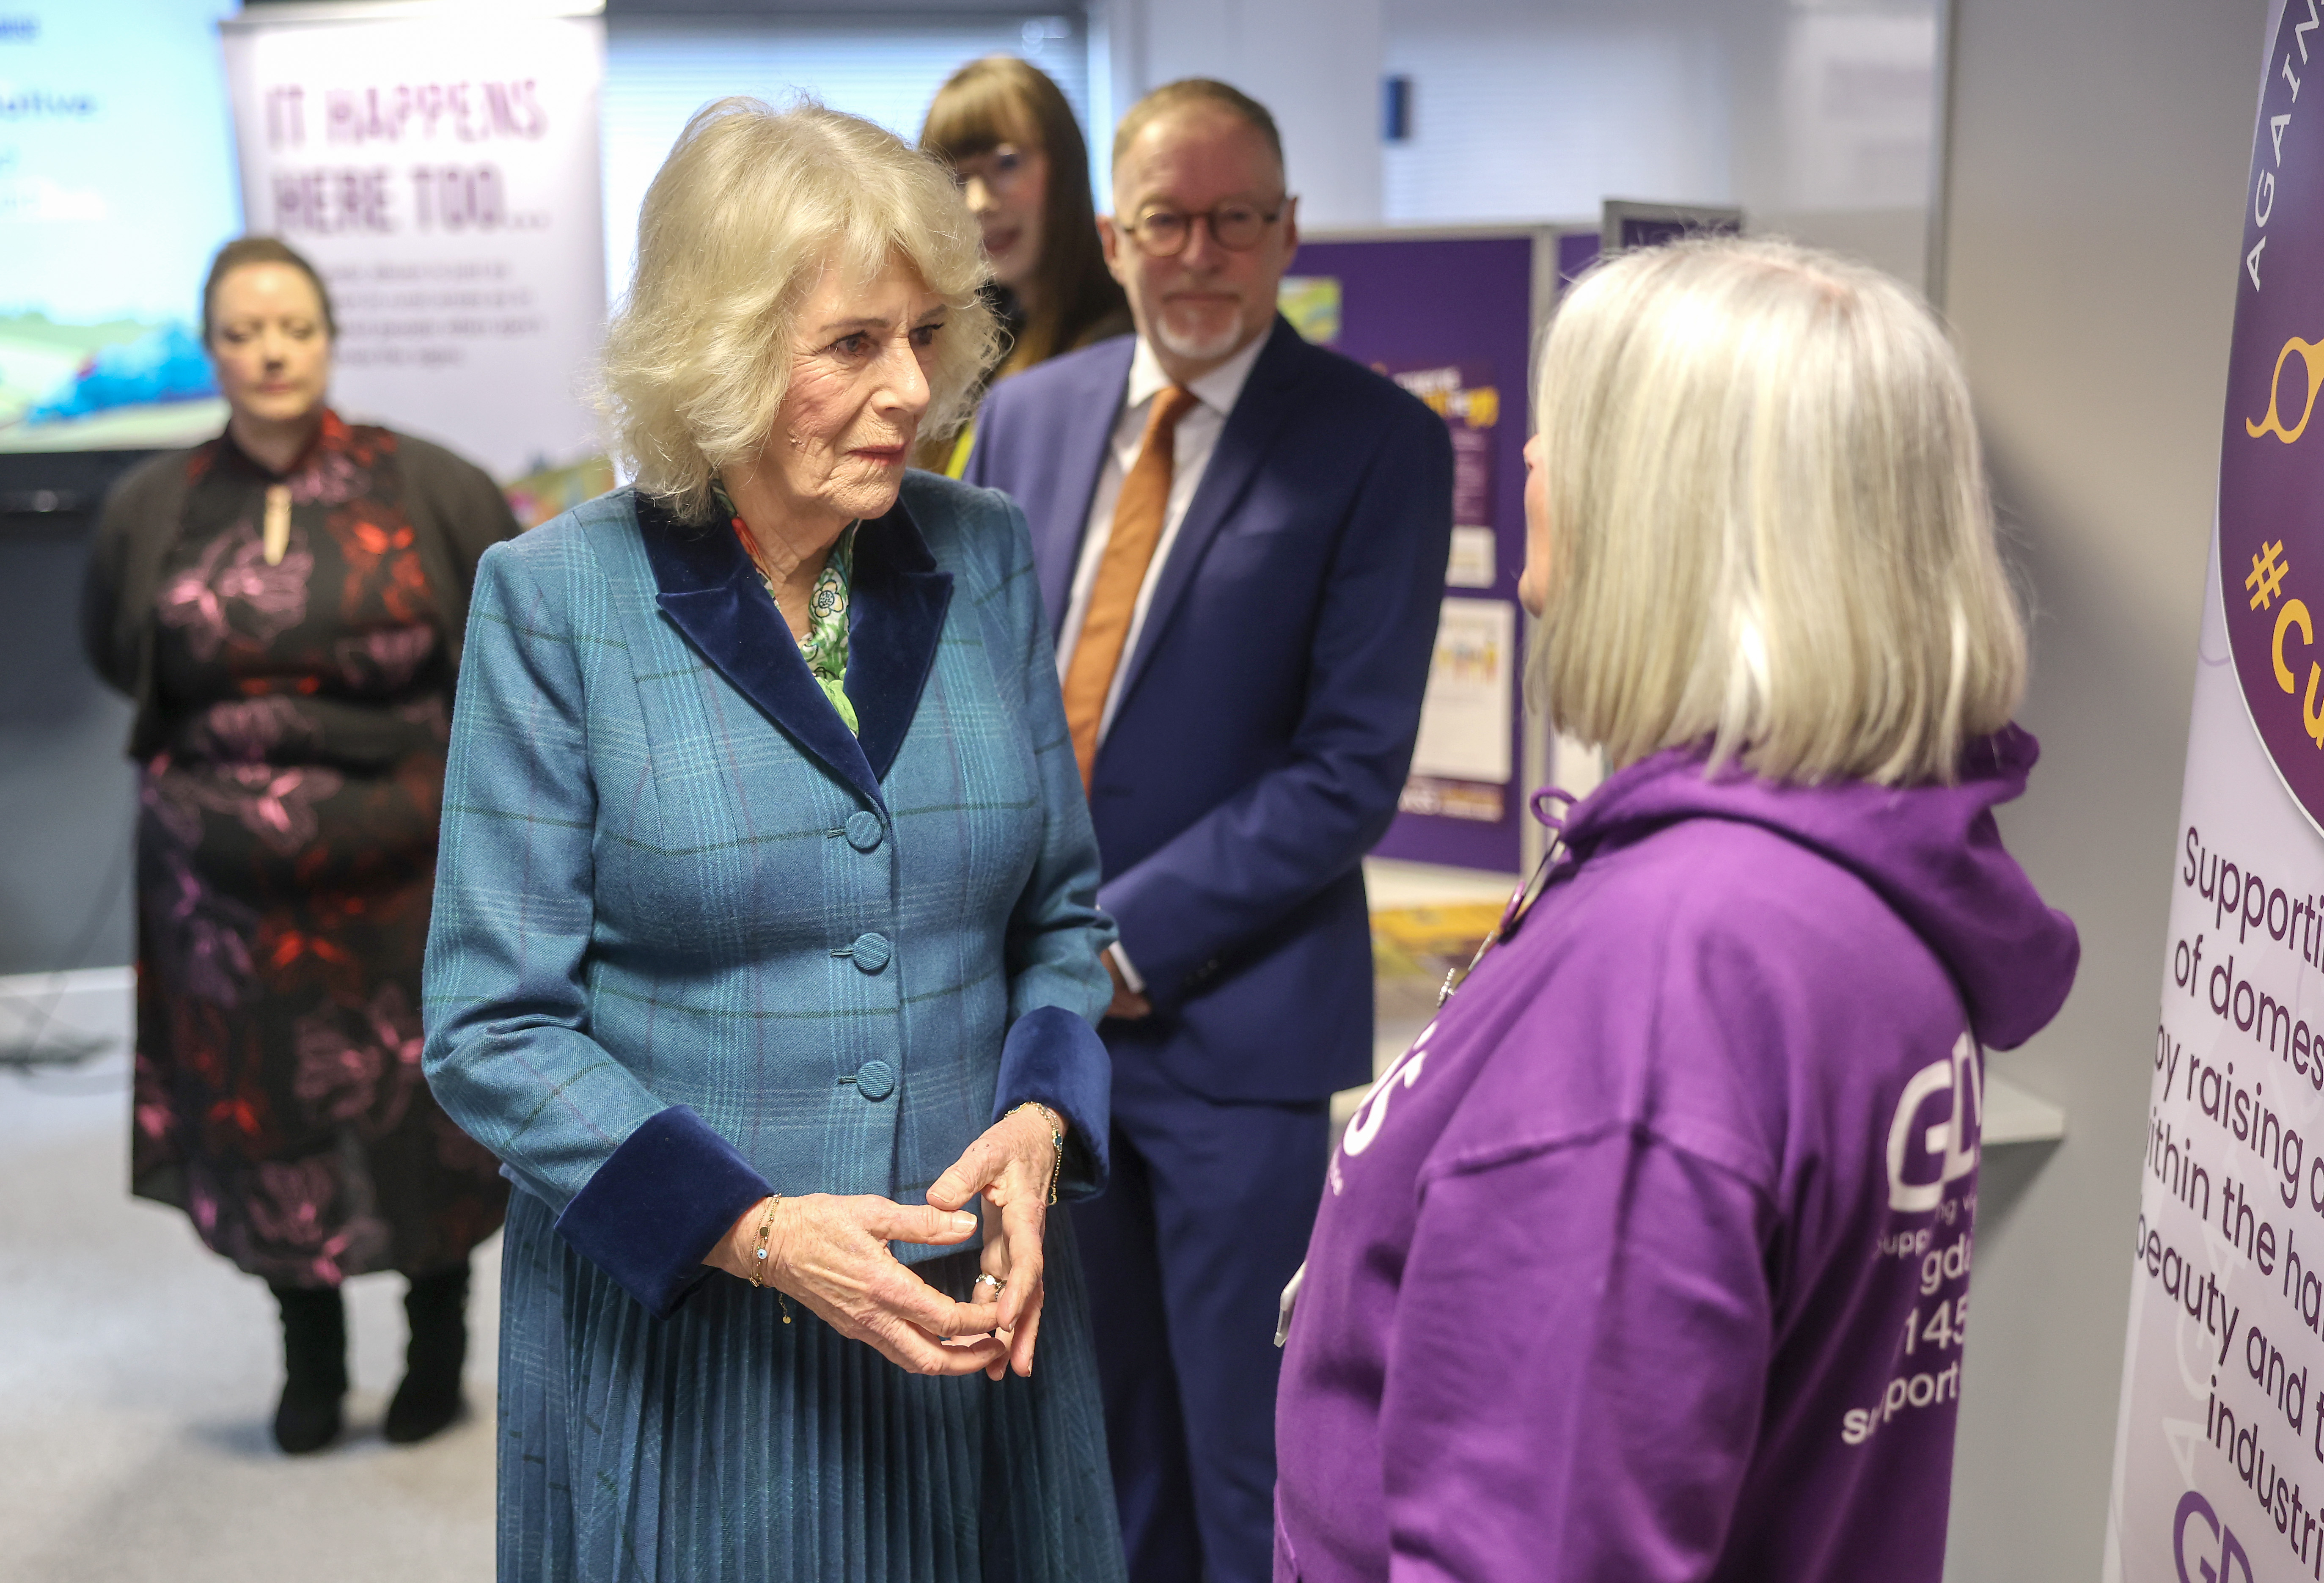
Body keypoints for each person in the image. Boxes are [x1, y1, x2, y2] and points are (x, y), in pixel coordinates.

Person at [1271, 238, 2082, 1582]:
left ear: (1672, 514)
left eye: (1569, 429)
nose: (1526, 462)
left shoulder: (1674, 970)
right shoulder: (1851, 890)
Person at [419, 99, 1125, 1582]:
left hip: (969, 1328)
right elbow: (491, 1027)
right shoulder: (556, 601)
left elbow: (1060, 916)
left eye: (926, 336)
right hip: (703, 1338)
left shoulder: (980, 549)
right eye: (852, 345)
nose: (911, 390)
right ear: (724, 353)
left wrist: (1043, 1120)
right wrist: (755, 1230)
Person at [965, 77, 1454, 1583]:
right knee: (1092, 1425)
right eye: (1167, 221)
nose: (1201, 254)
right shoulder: (1030, 415)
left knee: (1248, 1440)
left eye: (1236, 219)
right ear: (1110, 236)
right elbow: (986, 691)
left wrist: (1110, 948)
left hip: (1229, 1028)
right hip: (1034, 1031)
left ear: (1287, 231)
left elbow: (1346, 769)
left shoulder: (1377, 444)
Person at [81, 235, 520, 1453]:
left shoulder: (432, 484)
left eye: (293, 327)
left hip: (413, 888)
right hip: (224, 911)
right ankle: (309, 1355)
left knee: (428, 1120)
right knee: (266, 1120)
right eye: (240, 331)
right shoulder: (146, 509)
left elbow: (496, 658)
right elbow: (120, 654)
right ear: (212, 348)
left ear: (330, 338)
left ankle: (440, 1341)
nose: (269, 350)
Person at [916, 54, 1130, 473]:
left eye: (1007, 164)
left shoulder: (1118, 345)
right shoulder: (980, 341)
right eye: (957, 180)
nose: (977, 203)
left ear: (1065, 168)